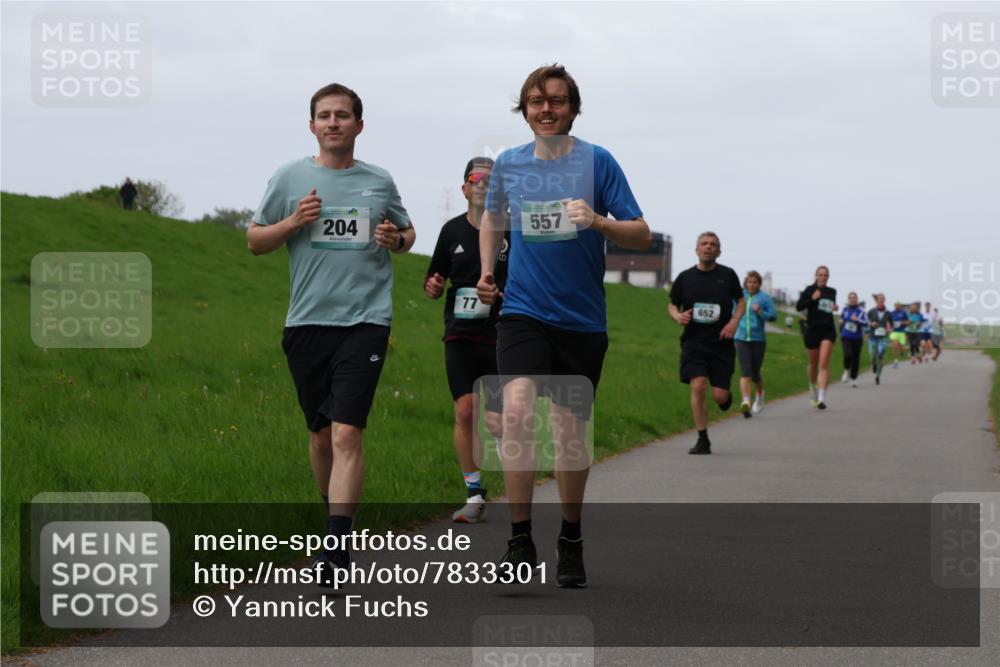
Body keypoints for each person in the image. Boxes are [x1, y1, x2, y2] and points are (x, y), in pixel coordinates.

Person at [477, 64, 650, 587]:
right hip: (523, 312)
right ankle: (520, 537)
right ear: (524, 110)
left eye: (555, 100)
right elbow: (492, 218)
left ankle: (570, 533)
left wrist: (597, 221)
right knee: (517, 409)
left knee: (570, 435)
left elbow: (640, 233)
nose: (545, 109)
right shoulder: (508, 163)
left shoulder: (599, 162)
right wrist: (488, 272)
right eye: (535, 101)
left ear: (573, 108)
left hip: (581, 320)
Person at [246, 83, 415, 584]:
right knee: (320, 437)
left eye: (343, 115)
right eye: (325, 115)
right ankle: (332, 520)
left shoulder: (379, 182)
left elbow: (405, 234)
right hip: (306, 322)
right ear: (312, 126)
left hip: (365, 321)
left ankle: (337, 549)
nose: (334, 122)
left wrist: (395, 239)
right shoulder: (290, 177)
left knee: (347, 431)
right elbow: (255, 241)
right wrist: (293, 221)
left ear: (359, 125)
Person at [424, 157, 508, 523]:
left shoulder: (510, 231)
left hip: (501, 335)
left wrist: (500, 296)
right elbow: (433, 278)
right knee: (465, 410)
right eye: (476, 178)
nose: (483, 183)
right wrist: (434, 285)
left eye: (491, 178)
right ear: (464, 188)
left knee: (497, 423)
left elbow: (524, 282)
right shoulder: (451, 231)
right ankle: (474, 493)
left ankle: (518, 482)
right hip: (460, 334)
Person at [669, 233, 745, 446]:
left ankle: (726, 397)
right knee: (699, 385)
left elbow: (740, 301)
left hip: (721, 344)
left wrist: (734, 322)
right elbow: (672, 304)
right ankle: (702, 438)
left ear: (718, 251)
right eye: (704, 244)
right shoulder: (685, 278)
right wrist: (677, 316)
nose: (708, 247)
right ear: (697, 250)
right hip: (694, 342)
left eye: (713, 245)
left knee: (719, 397)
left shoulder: (728, 275)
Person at [733, 270, 775, 417]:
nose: (752, 285)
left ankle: (760, 396)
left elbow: (773, 316)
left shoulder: (764, 298)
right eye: (749, 282)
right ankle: (746, 402)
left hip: (758, 340)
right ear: (746, 282)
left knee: (755, 374)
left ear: (759, 284)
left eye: (755, 282)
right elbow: (733, 313)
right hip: (741, 338)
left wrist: (760, 312)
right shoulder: (740, 296)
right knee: (745, 371)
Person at [795, 266, 838, 409]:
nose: (823, 277)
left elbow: (828, 307)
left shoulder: (832, 292)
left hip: (828, 330)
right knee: (813, 364)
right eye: (820, 274)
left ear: (828, 277)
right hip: (812, 330)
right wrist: (812, 299)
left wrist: (834, 307)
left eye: (825, 275)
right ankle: (812, 386)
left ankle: (821, 397)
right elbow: (799, 307)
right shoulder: (809, 290)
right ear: (816, 276)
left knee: (824, 363)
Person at [839, 292, 868, 388]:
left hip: (857, 338)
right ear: (848, 299)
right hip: (846, 336)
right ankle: (846, 370)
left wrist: (857, 320)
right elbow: (842, 319)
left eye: (854, 298)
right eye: (850, 298)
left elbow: (866, 323)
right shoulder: (845, 309)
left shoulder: (861, 311)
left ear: (857, 300)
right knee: (848, 355)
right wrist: (841, 321)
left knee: (856, 359)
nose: (852, 299)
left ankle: (854, 378)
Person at [867, 293, 893, 385]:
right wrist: (871, 324)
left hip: (883, 338)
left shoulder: (888, 313)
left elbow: (891, 325)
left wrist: (889, 329)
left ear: (884, 300)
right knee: (872, 355)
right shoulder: (871, 311)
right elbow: (866, 322)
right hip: (873, 337)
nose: (881, 300)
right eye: (879, 299)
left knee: (880, 355)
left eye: (882, 299)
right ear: (876, 300)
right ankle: (873, 363)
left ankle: (877, 376)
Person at [889, 300, 909, 368]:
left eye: (898, 305)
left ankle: (902, 351)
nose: (897, 306)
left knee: (901, 348)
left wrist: (902, 323)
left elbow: (908, 322)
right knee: (895, 345)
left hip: (902, 332)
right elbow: (888, 322)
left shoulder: (903, 313)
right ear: (894, 305)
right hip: (894, 332)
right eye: (896, 305)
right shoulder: (891, 313)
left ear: (900, 305)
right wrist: (889, 327)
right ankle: (895, 361)